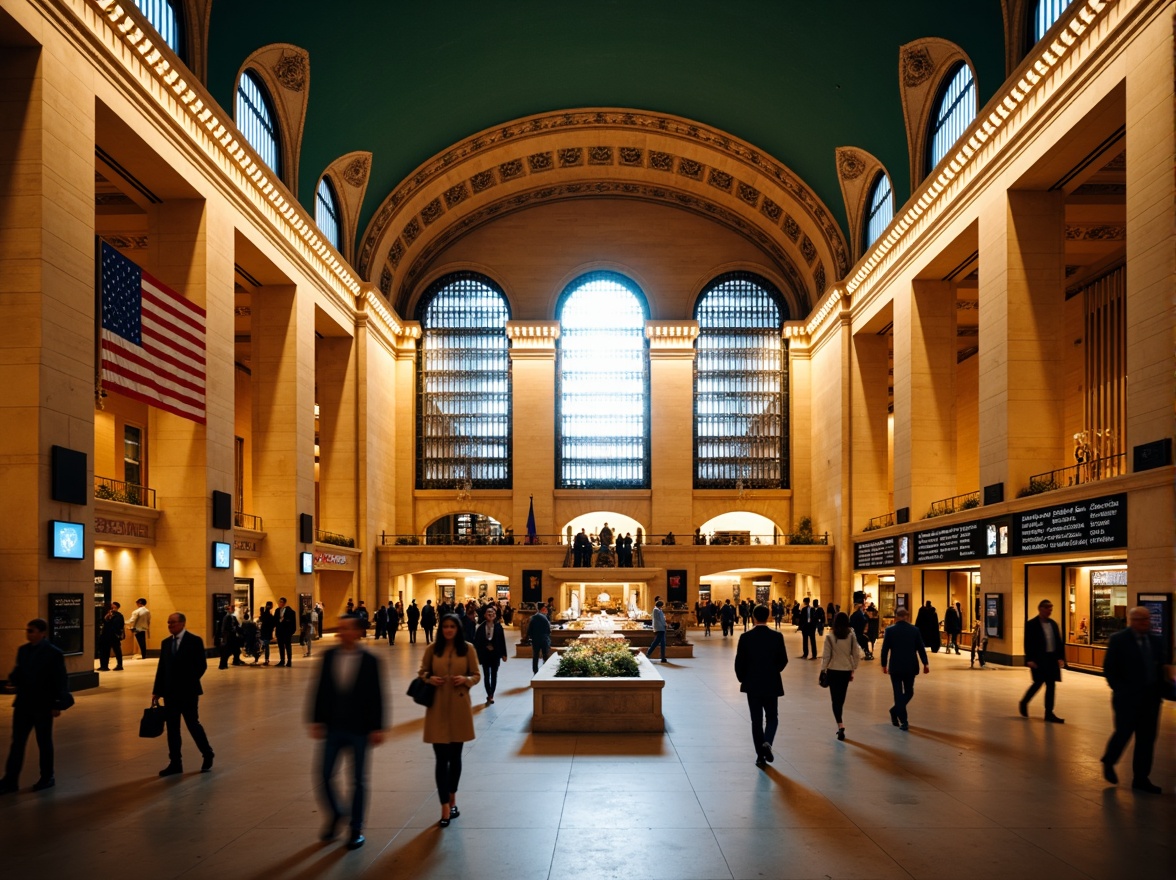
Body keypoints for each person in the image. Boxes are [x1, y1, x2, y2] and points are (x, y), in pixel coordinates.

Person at [309, 614, 385, 849]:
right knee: (323, 776)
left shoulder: (370, 660)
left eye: (346, 628)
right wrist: (316, 720)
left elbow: (377, 696)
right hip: (333, 727)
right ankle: (337, 813)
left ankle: (356, 827)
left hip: (360, 729)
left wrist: (377, 727)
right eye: (340, 628)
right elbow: (319, 689)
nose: (341, 632)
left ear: (357, 632)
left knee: (357, 780)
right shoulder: (329, 656)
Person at [419, 614, 480, 827]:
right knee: (440, 759)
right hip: (437, 709)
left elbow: (476, 675)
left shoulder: (468, 649)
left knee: (455, 757)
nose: (448, 630)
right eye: (445, 626)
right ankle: (444, 806)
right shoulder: (432, 649)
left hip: (459, 709)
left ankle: (452, 797)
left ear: (458, 628)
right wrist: (429, 678)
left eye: (452, 626)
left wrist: (466, 680)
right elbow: (422, 672)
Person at [1100, 607, 1166, 793]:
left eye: (1146, 619)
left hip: (1151, 700)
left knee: (1146, 740)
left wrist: (1162, 691)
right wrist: (1121, 689)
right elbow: (1109, 669)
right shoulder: (1119, 640)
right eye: (1139, 619)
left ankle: (1141, 778)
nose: (1144, 623)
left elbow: (1160, 668)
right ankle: (1109, 760)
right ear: (1131, 621)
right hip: (1127, 699)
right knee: (1123, 733)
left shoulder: (1155, 641)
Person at [0, 619, 70, 793]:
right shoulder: (23, 650)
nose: (28, 634)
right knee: (17, 743)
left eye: (31, 631)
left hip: (43, 704)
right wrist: (13, 680)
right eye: (27, 630)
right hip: (24, 703)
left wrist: (56, 704)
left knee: (44, 742)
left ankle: (47, 777)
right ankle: (10, 780)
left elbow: (60, 680)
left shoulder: (53, 653)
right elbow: (19, 671)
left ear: (42, 633)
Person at [152, 612, 214, 776]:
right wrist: (157, 690)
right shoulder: (166, 643)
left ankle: (207, 753)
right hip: (170, 693)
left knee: (193, 724)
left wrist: (188, 681)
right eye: (168, 623)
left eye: (172, 622)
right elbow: (162, 668)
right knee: (173, 729)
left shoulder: (194, 641)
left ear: (182, 623)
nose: (170, 625)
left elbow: (201, 666)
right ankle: (175, 762)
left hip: (188, 692)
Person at [734, 605, 788, 767]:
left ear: (753, 617)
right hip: (771, 683)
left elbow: (739, 663)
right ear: (769, 616)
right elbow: (783, 660)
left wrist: (744, 678)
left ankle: (760, 756)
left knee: (756, 721)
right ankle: (768, 743)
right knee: (772, 717)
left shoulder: (746, 637)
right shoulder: (777, 637)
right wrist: (773, 671)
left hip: (753, 684)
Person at [880, 606, 929, 731]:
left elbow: (885, 649)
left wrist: (884, 664)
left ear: (896, 616)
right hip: (910, 666)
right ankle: (903, 720)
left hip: (895, 666)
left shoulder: (890, 631)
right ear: (907, 616)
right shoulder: (914, 630)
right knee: (909, 691)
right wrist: (925, 663)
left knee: (897, 693)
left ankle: (896, 712)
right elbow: (920, 648)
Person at [1019, 599, 1066, 723]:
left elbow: (1058, 642)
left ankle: (1049, 712)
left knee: (1051, 685)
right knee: (1038, 683)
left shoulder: (1053, 624)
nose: (1049, 611)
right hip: (1039, 659)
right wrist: (1029, 659)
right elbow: (1028, 643)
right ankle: (1024, 702)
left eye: (1051, 608)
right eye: (1047, 608)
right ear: (1040, 609)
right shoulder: (1031, 624)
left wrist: (1061, 657)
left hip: (1051, 659)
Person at [821, 612, 864, 741]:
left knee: (835, 700)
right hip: (845, 670)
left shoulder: (830, 637)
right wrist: (853, 669)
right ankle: (840, 722)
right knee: (841, 697)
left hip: (833, 670)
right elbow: (855, 653)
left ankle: (840, 725)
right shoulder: (850, 636)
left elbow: (826, 656)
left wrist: (823, 670)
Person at [473, 603, 508, 703]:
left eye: (492, 612)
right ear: (484, 615)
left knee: (494, 674)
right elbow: (477, 642)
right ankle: (488, 693)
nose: (490, 614)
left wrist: (504, 654)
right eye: (488, 612)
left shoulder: (498, 627)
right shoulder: (480, 628)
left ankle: (491, 694)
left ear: (495, 615)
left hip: (495, 655)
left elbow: (502, 641)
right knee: (486, 675)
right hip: (485, 655)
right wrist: (480, 652)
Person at [98, 601, 125, 671]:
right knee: (114, 650)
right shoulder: (116, 615)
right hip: (111, 635)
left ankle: (108, 665)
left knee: (111, 650)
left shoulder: (117, 615)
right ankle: (106, 665)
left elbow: (114, 625)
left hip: (111, 635)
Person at [528, 603, 553, 673]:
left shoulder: (533, 617)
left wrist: (531, 638)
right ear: (543, 609)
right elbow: (548, 630)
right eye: (545, 608)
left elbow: (530, 630)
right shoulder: (545, 618)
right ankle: (545, 671)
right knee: (545, 656)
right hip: (544, 639)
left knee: (535, 656)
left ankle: (535, 671)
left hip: (535, 640)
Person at [274, 597, 297, 667]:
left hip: (286, 632)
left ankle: (289, 661)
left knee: (288, 646)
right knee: (281, 646)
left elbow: (292, 623)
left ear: (284, 603)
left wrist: (290, 632)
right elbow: (275, 620)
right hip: (279, 632)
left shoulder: (290, 611)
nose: (279, 603)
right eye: (279, 602)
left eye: (281, 602)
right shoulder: (277, 611)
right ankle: (282, 660)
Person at [217, 605, 240, 670]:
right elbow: (227, 627)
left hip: (228, 636)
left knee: (227, 651)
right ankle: (223, 664)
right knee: (227, 651)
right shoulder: (228, 617)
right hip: (229, 637)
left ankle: (224, 664)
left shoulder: (228, 617)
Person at [258, 601, 275, 665]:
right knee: (266, 645)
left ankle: (266, 659)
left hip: (264, 631)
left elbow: (261, 619)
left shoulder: (264, 614)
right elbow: (273, 623)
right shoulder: (270, 615)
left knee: (265, 645)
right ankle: (266, 659)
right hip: (268, 632)